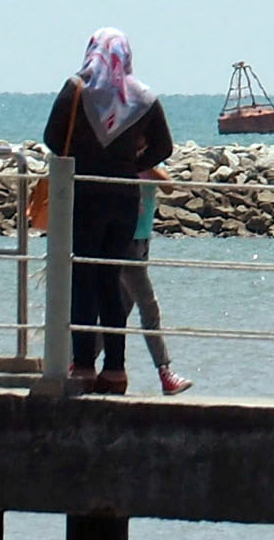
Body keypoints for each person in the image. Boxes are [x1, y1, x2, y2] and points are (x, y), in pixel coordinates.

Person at [42, 27, 172, 392]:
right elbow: (164, 146)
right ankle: (115, 368)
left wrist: (82, 157)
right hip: (124, 197)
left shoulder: (77, 88)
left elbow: (52, 138)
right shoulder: (143, 97)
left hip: (85, 194)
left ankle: (83, 364)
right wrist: (131, 164)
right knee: (110, 280)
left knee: (82, 277)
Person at [118, 167, 190, 395]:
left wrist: (148, 165)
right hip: (125, 241)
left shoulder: (147, 164)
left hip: (143, 240)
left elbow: (169, 187)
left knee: (120, 310)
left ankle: (77, 361)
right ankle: (165, 372)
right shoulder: (121, 163)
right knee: (149, 307)